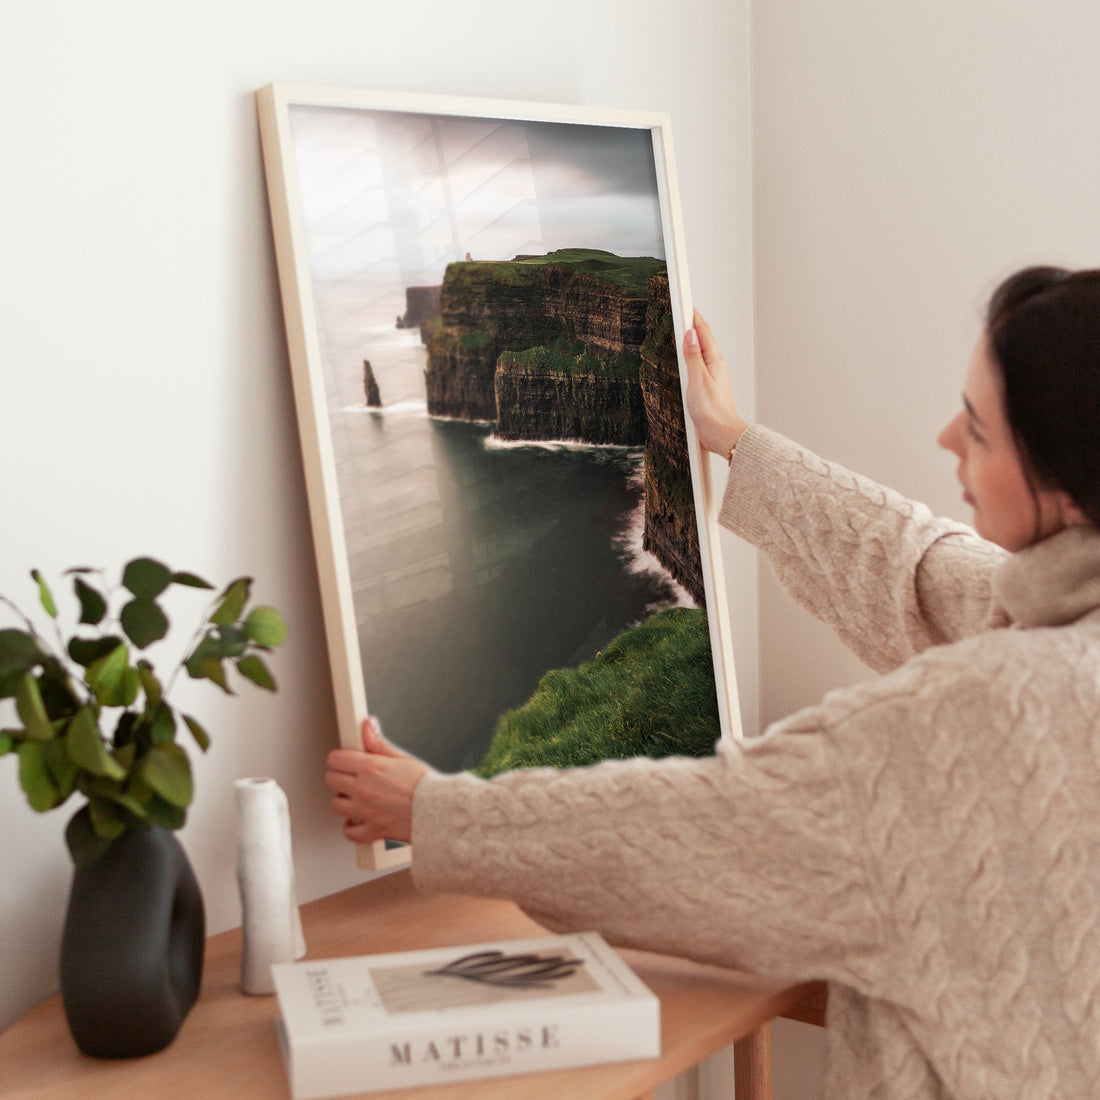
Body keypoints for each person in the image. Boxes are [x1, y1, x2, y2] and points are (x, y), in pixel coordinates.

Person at [325, 266, 1100, 1099]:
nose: (947, 438)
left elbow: (707, 828)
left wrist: (434, 812)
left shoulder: (981, 717)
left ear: (1065, 486)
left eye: (980, 432)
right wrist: (733, 439)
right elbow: (917, 569)